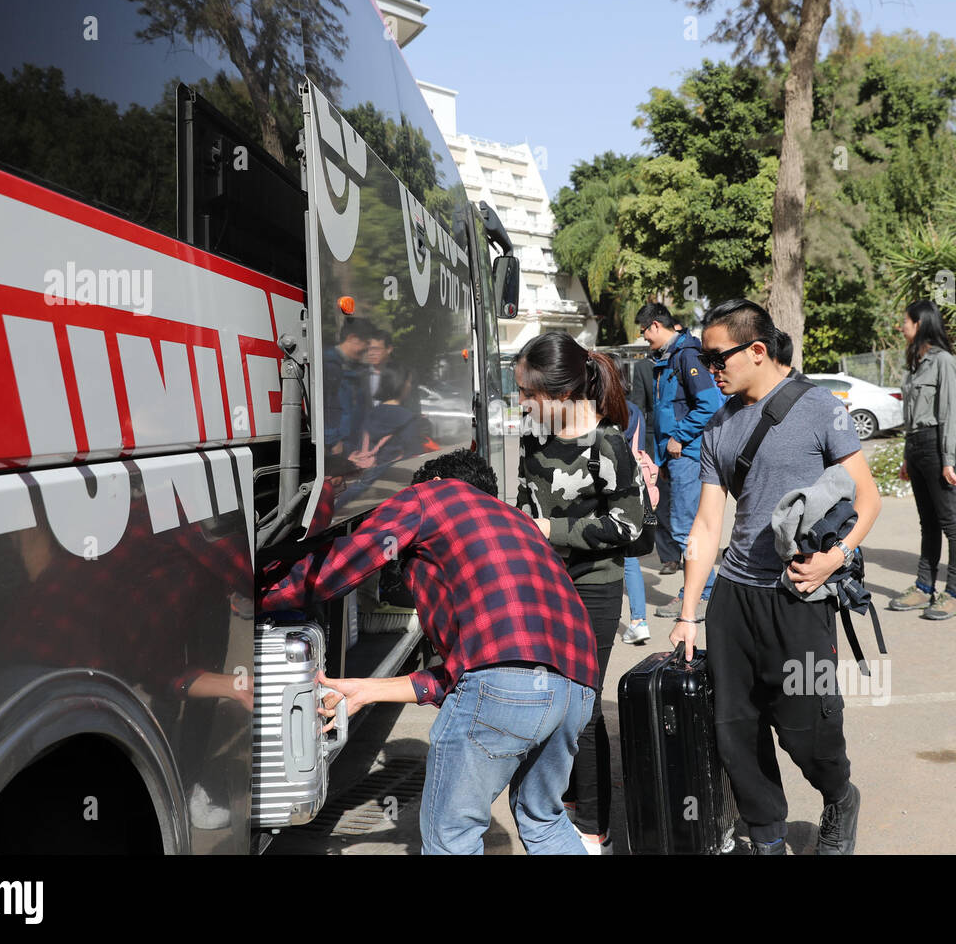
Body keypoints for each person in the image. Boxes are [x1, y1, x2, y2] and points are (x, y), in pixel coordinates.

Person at [261, 448, 600, 855]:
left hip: (507, 685)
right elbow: (473, 675)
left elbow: (341, 566)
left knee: (451, 838)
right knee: (544, 821)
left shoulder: (431, 495)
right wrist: (369, 690)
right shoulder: (519, 525)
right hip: (577, 692)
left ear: (433, 482)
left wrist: (252, 594)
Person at [669, 298, 881, 855]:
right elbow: (707, 524)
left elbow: (867, 496)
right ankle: (766, 836)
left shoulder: (819, 409)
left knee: (807, 726)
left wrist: (838, 557)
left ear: (756, 350)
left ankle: (839, 796)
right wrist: (688, 612)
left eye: (718, 359)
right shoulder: (718, 427)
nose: (710, 371)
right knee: (735, 729)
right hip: (736, 597)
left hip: (799, 593)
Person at [514, 332, 644, 854]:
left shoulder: (607, 444)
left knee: (583, 709)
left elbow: (631, 528)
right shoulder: (532, 438)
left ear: (563, 395)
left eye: (528, 393)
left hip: (594, 589)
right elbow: (526, 503)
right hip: (544, 587)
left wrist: (554, 533)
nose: (521, 402)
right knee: (548, 698)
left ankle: (594, 825)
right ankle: (560, 801)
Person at [635, 303, 723, 610]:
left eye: (645, 333)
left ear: (656, 326)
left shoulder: (686, 355)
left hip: (688, 454)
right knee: (688, 525)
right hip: (676, 456)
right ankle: (705, 589)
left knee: (686, 527)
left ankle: (698, 593)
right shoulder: (671, 356)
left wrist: (679, 437)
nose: (645, 340)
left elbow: (710, 403)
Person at [888, 300, 956, 620]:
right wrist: (907, 456)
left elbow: (949, 414)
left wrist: (948, 459)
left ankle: (955, 593)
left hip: (938, 445)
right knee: (928, 523)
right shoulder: (914, 362)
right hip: (917, 445)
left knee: (951, 522)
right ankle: (924, 587)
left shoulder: (943, 361)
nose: (902, 326)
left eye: (905, 321)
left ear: (919, 324)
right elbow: (911, 416)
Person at [620, 397, 658, 646]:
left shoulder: (602, 408)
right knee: (629, 557)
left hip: (615, 483)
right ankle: (638, 621)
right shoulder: (633, 409)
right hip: (637, 485)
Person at [321, 317, 376, 454]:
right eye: (366, 343)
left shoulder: (358, 369)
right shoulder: (328, 365)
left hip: (353, 445)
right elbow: (322, 407)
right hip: (335, 446)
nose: (368, 349)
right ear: (353, 338)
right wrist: (332, 440)